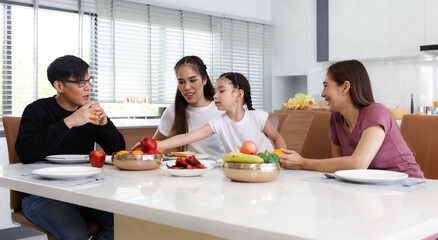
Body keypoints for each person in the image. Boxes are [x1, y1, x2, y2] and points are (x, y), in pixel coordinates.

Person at [15, 55, 125, 239]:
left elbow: (118, 150)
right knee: (75, 234)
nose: (88, 87)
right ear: (59, 86)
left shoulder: (89, 112)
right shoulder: (37, 110)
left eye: (89, 81)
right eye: (81, 82)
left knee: (123, 224)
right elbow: (26, 153)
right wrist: (70, 122)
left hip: (84, 190)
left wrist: (104, 125)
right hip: (42, 193)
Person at [280, 60, 424, 178]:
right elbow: (337, 166)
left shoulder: (376, 112)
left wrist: (302, 163)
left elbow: (358, 164)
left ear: (345, 87)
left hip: (408, 185)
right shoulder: (336, 118)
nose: (323, 94)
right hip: (372, 189)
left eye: (326, 86)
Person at [154, 72, 287, 153]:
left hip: (267, 169)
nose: (215, 95)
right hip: (241, 172)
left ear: (238, 95)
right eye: (215, 91)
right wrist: (155, 145)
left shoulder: (258, 117)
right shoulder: (217, 123)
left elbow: (277, 138)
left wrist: (280, 157)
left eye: (221, 91)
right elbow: (186, 137)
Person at [147, 56, 226, 158]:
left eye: (192, 80)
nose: (187, 87)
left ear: (204, 80)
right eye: (181, 82)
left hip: (219, 171)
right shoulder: (173, 111)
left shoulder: (222, 109)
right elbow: (153, 146)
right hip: (188, 170)